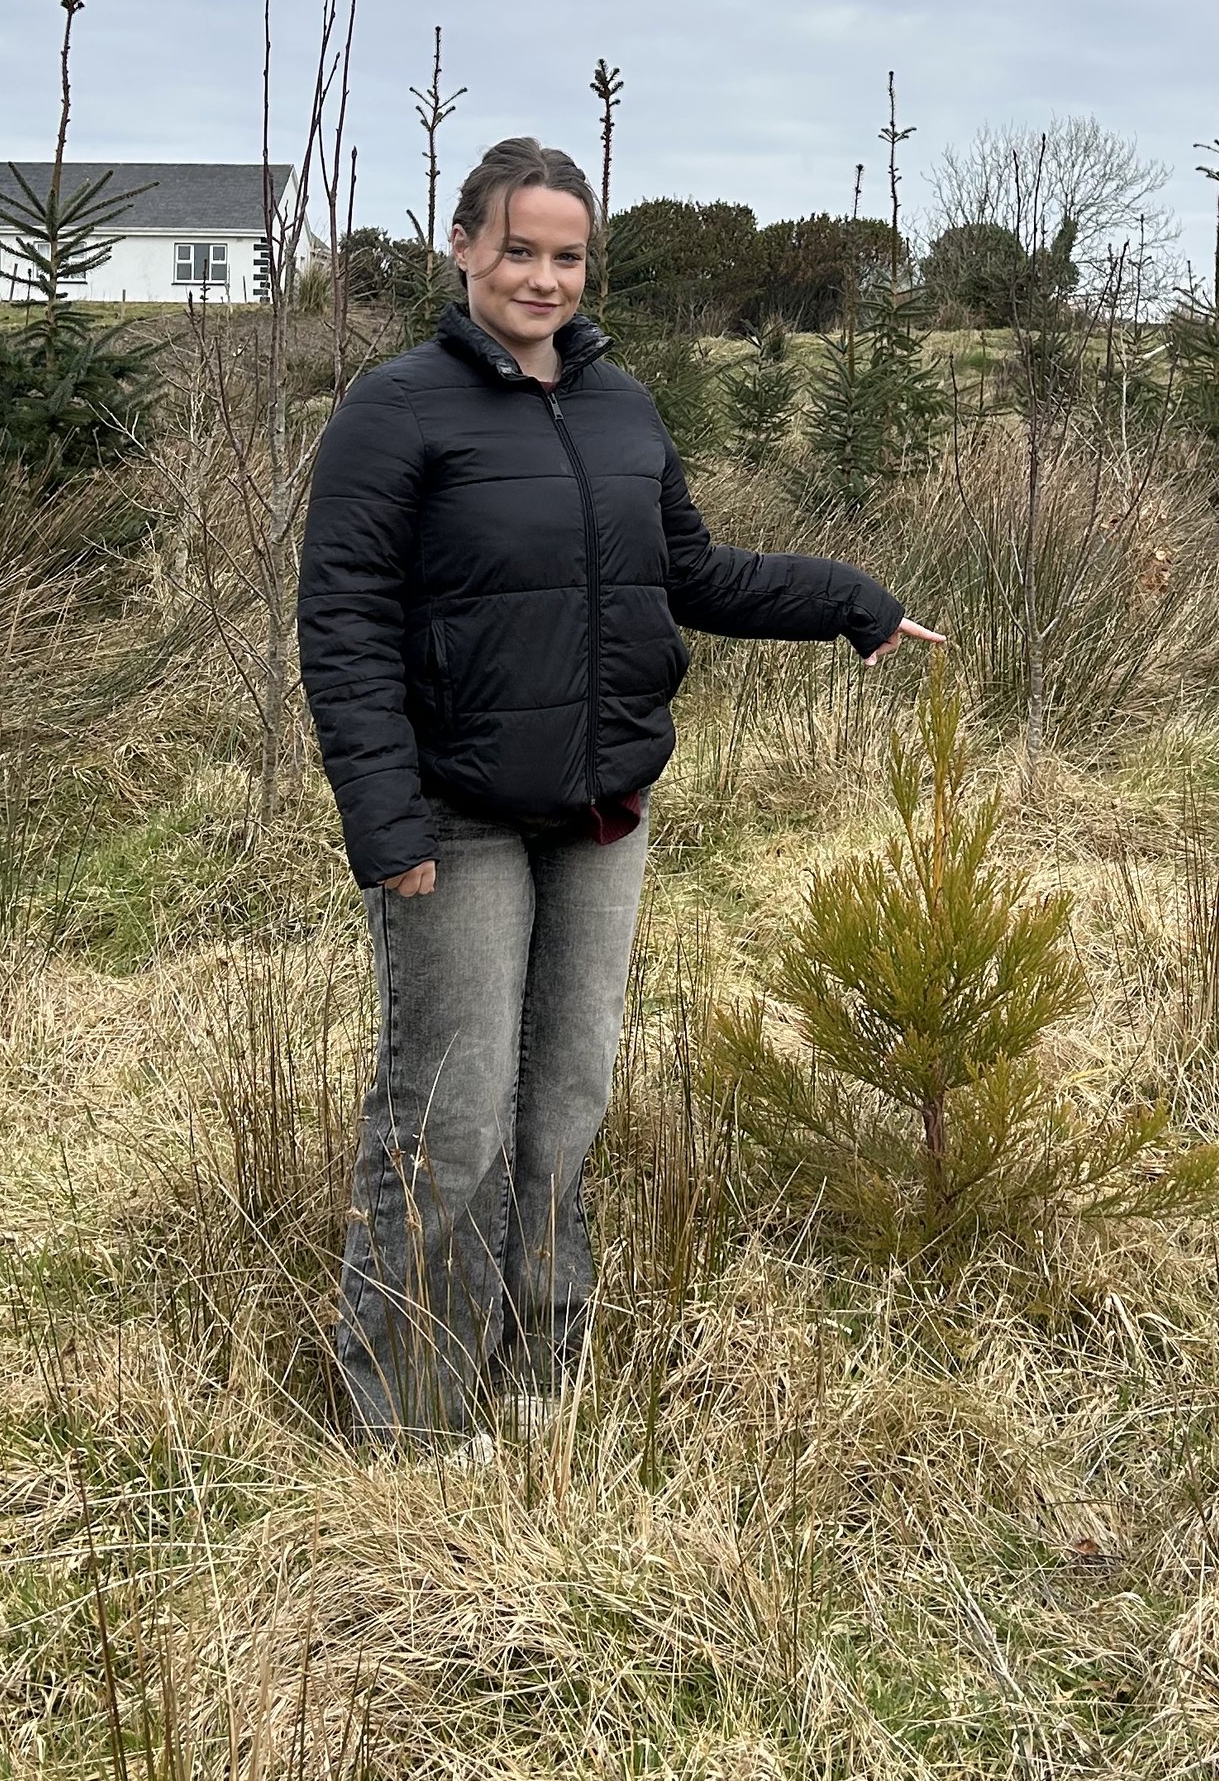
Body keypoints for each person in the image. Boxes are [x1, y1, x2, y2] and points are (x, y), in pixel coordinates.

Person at [296, 134, 940, 1439]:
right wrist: (383, 819)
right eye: (518, 247)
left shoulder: (622, 408)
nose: (542, 275)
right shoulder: (396, 408)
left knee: (567, 1100)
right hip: (456, 817)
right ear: (465, 246)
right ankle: (414, 1420)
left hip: (599, 813)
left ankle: (536, 1377)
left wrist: (849, 601)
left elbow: (689, 574)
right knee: (450, 1117)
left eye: (567, 254)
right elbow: (344, 620)